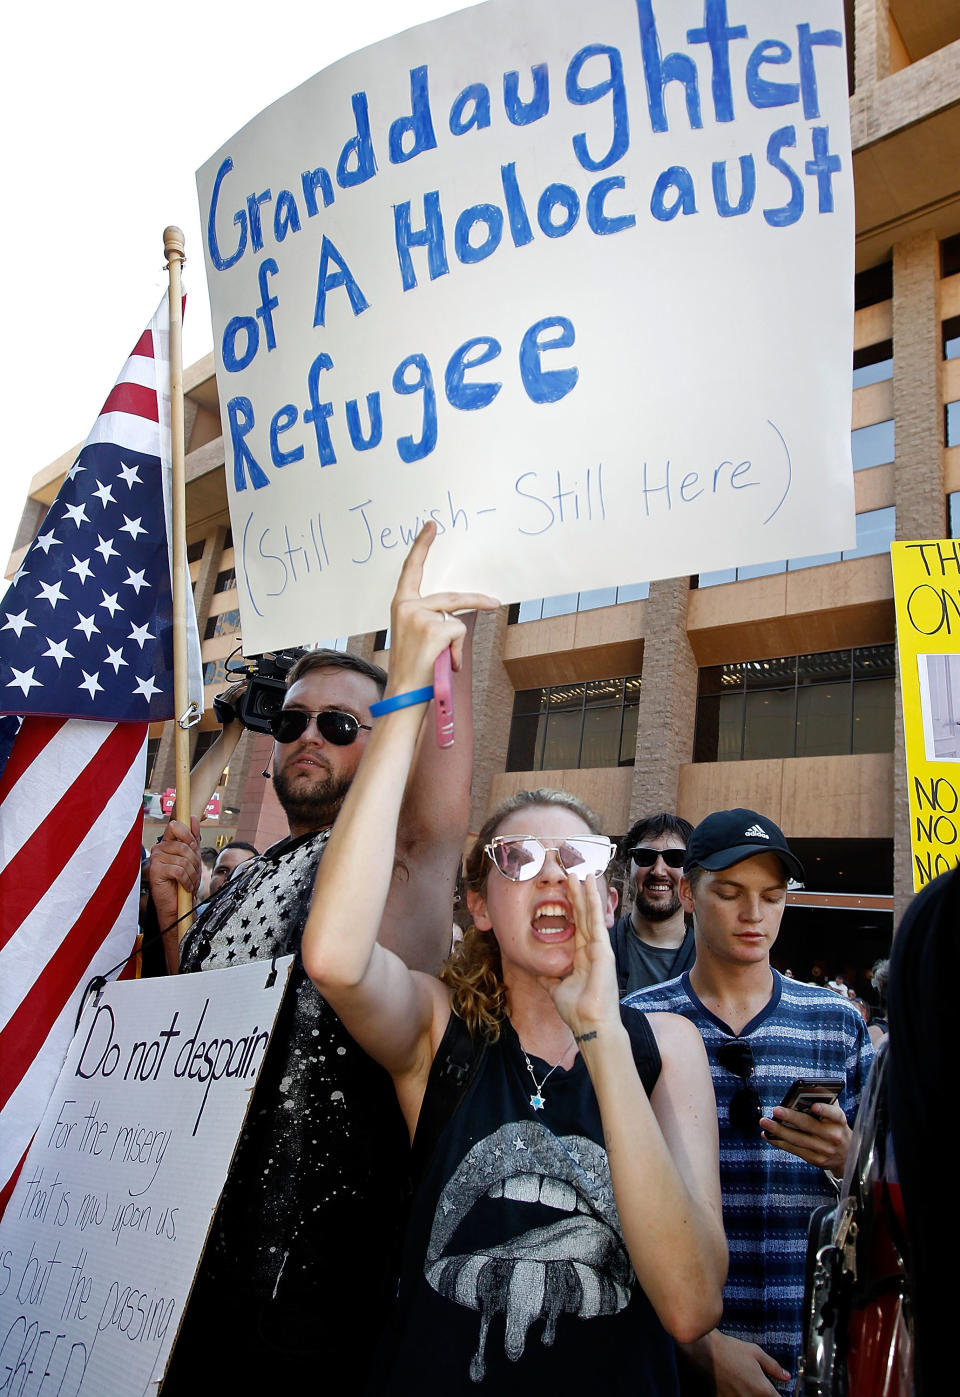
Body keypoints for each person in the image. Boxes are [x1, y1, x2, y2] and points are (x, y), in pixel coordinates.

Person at [301, 525, 727, 1394]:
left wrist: (601, 1030)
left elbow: (689, 1305)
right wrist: (407, 693)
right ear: (479, 908)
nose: (551, 879)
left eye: (576, 861)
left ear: (608, 899)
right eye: (519, 861)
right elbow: (338, 958)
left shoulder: (667, 1049)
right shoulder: (437, 1033)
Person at [150, 610, 490, 1390]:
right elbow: (194, 1049)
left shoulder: (395, 862)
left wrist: (444, 631)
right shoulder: (238, 882)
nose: (308, 736)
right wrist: (175, 913)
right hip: (179, 1266)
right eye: (292, 719)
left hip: (310, 1302)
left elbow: (436, 808)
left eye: (340, 724)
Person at [627, 809, 873, 1396]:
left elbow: (887, 1191)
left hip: (811, 1347)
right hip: (677, 1354)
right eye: (731, 893)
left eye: (772, 895)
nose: (753, 915)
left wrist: (849, 1157)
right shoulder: (637, 1021)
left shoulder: (835, 1024)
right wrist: (698, 1348)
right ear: (688, 892)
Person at [611, 813, 695, 994]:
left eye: (675, 858)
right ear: (627, 868)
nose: (658, 871)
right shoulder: (595, 947)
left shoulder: (711, 960)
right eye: (645, 856)